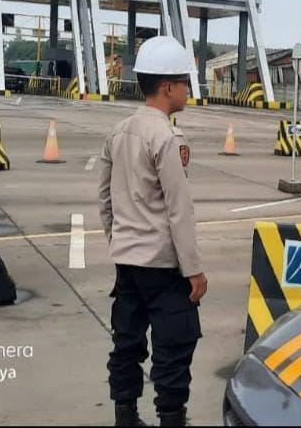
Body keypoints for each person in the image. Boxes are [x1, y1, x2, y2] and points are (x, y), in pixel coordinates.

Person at [98, 35, 207, 427]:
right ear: (167, 87)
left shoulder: (118, 132)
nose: (188, 89)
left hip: (127, 263)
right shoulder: (167, 137)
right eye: (184, 82)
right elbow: (179, 209)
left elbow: (105, 200)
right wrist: (193, 269)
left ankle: (125, 417)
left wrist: (119, 242)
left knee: (126, 343)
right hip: (162, 265)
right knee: (174, 346)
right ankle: (171, 419)